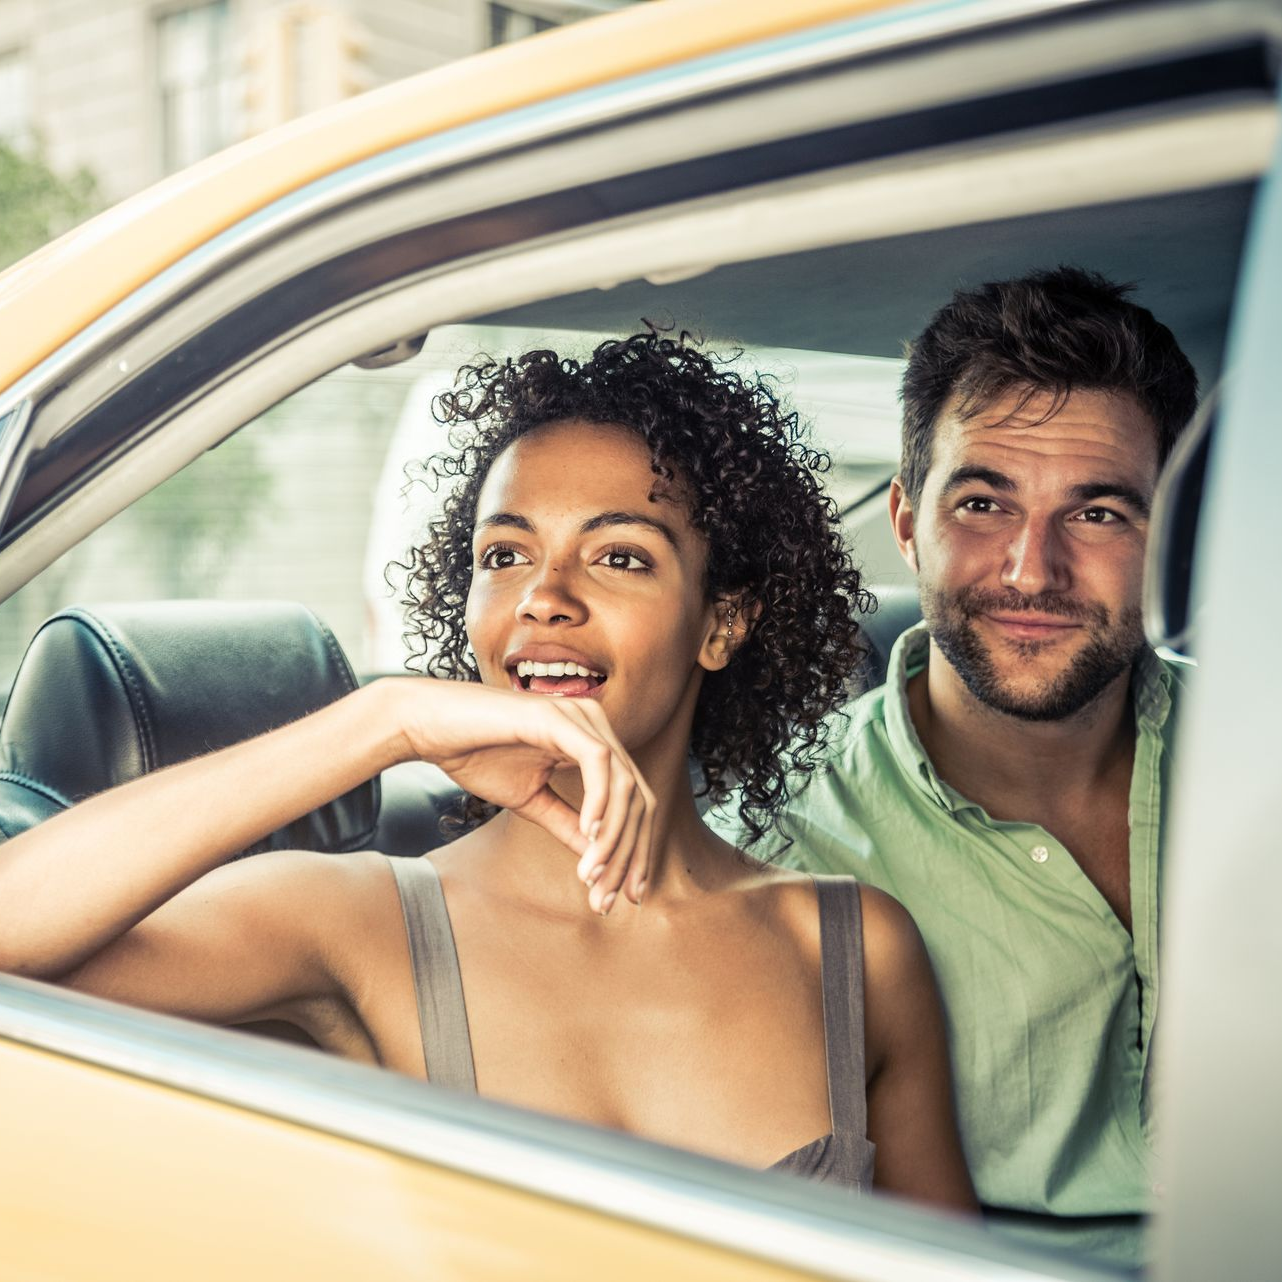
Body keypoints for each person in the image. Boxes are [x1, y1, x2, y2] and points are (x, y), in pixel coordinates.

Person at [0, 330, 975, 1210]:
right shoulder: (357, 922)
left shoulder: (849, 947)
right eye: (503, 554)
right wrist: (385, 721)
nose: (543, 596)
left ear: (721, 621)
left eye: (620, 558)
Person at [711, 268, 1198, 1266]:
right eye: (982, 502)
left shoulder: (1259, 744)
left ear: (1170, 533)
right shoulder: (773, 855)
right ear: (904, 523)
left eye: (1099, 513)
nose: (1031, 569)